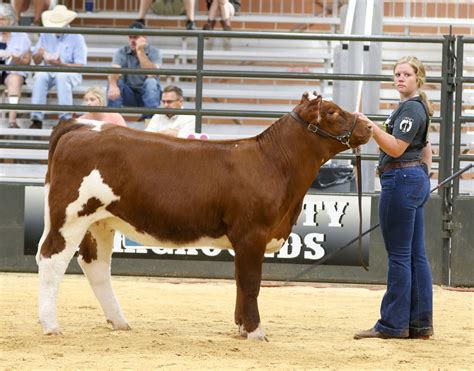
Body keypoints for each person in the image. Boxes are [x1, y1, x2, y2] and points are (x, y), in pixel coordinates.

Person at [354, 56, 434, 340]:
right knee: (415, 255)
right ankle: (419, 323)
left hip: (399, 180)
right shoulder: (417, 107)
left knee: (400, 256)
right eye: (397, 74)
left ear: (417, 79)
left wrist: (371, 127)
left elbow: (397, 148)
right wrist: (424, 173)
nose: (400, 78)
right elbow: (426, 149)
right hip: (412, 179)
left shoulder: (411, 109)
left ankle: (392, 324)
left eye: (406, 74)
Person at [29, 5, 87, 129]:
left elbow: (80, 65)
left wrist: (61, 64)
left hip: (69, 71)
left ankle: (65, 119)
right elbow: (37, 60)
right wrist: (39, 54)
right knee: (40, 76)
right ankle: (36, 118)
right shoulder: (45, 34)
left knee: (62, 76)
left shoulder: (77, 37)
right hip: (49, 69)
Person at [107, 22, 161, 120]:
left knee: (151, 82)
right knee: (114, 82)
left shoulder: (154, 51)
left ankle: (150, 120)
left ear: (144, 37)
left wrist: (140, 52)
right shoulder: (121, 51)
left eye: (135, 37)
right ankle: (113, 120)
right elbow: (114, 69)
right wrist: (113, 85)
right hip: (129, 94)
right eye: (130, 37)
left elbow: (152, 74)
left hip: (149, 94)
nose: (132, 40)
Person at [0, 4, 31, 128]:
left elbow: (27, 61)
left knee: (14, 79)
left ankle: (12, 121)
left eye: (3, 19)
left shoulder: (21, 36)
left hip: (12, 69)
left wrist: (18, 60)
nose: (0, 22)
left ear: (10, 20)